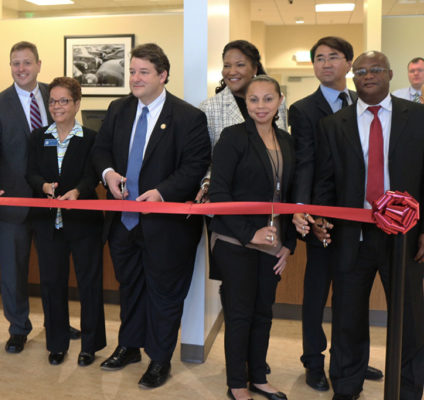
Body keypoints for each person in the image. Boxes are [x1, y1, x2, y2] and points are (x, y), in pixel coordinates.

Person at [298, 50, 424, 400]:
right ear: (354, 77)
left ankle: (409, 390)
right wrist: (322, 216)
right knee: (348, 316)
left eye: (376, 69)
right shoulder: (333, 124)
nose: (368, 75)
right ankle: (347, 386)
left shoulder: (418, 118)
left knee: (411, 318)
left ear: (389, 73)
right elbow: (324, 179)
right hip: (351, 235)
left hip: (405, 235)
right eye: (362, 71)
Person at [92, 43, 210, 389]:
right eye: (131, 71)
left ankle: (159, 359)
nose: (135, 78)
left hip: (167, 227)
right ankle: (129, 346)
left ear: (163, 75)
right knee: (130, 288)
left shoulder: (188, 117)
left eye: (143, 72)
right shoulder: (118, 109)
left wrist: (161, 192)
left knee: (164, 295)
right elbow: (101, 151)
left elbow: (194, 167)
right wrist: (109, 174)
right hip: (123, 223)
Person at [289, 37, 384, 391]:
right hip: (323, 219)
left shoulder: (367, 102)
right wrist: (306, 211)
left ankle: (351, 358)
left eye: (333, 58)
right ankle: (313, 361)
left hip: (361, 219)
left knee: (353, 296)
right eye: (318, 59)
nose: (325, 64)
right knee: (317, 293)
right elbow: (306, 164)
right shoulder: (303, 109)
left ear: (348, 64)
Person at [0, 41, 80, 354]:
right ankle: (18, 328)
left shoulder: (55, 95)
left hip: (53, 201)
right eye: (15, 63)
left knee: (54, 268)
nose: (21, 68)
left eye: (26, 62)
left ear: (39, 64)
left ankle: (56, 324)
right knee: (13, 272)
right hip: (13, 203)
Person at [209, 76, 294, 400]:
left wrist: (287, 243)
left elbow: (287, 196)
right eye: (254, 99)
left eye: (268, 99)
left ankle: (259, 377)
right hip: (235, 242)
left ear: (280, 100)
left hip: (271, 244)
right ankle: (236, 384)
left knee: (263, 312)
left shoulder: (286, 140)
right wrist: (250, 232)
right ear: (246, 103)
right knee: (240, 313)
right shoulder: (233, 137)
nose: (261, 106)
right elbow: (219, 193)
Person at [27, 77, 106, 367]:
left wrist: (78, 191)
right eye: (52, 101)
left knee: (89, 285)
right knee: (51, 284)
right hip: (48, 224)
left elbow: (92, 174)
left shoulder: (91, 138)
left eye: (63, 101)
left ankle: (90, 344)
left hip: (83, 222)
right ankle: (57, 343)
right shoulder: (37, 137)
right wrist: (43, 186)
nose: (57, 106)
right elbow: (30, 172)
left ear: (76, 104)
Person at [197, 40, 287, 203]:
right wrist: (208, 182)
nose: (232, 71)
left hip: (271, 198)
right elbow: (204, 158)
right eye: (227, 65)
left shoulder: (277, 102)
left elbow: (283, 147)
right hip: (226, 198)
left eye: (239, 65)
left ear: (254, 68)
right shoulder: (209, 107)